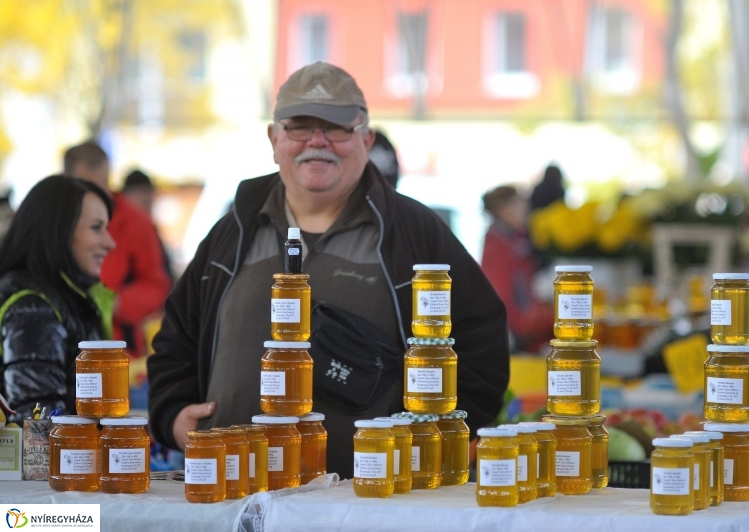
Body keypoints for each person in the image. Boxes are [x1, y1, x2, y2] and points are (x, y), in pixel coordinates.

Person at [147, 61, 510, 477]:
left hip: (368, 507)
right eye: (300, 126)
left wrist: (439, 439)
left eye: (337, 127)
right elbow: (176, 335)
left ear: (367, 138)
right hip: (232, 499)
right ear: (274, 138)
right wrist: (172, 414)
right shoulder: (234, 230)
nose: (317, 142)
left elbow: (482, 338)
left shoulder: (412, 232)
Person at [0, 175, 115, 423]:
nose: (110, 243)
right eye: (96, 227)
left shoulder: (65, 297)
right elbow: (37, 424)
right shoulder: (33, 309)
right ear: (58, 230)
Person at [64, 142, 172, 359]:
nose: (97, 193)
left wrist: (117, 303)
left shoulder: (136, 223)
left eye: (103, 183)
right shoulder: (53, 223)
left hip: (120, 355)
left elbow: (159, 286)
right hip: (65, 349)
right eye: (87, 185)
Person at [481, 185, 552, 353]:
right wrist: (550, 318)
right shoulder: (498, 250)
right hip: (520, 345)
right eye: (520, 204)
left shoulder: (514, 243)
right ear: (503, 210)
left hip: (528, 336)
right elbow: (504, 306)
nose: (526, 209)